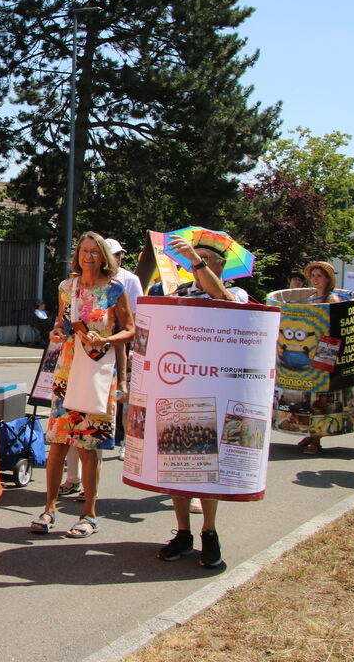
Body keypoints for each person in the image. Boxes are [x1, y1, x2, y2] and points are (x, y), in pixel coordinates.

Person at [30, 232, 134, 539]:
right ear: (77, 255)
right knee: (58, 441)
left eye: (94, 251)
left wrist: (107, 339)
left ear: (103, 257)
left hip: (98, 371)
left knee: (89, 447)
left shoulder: (114, 289)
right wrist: (56, 334)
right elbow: (60, 324)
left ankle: (89, 515)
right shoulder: (67, 287)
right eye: (83, 251)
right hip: (67, 369)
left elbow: (130, 330)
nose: (88, 256)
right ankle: (49, 509)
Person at [158, 235, 247, 568]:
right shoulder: (180, 292)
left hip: (214, 389)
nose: (198, 264)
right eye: (196, 259)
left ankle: (209, 531)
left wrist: (195, 260)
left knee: (207, 466)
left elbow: (221, 298)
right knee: (176, 463)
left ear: (221, 265)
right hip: (178, 387)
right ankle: (183, 532)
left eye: (206, 259)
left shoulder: (236, 293)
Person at [297, 261, 342, 455]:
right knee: (307, 393)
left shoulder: (332, 299)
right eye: (312, 276)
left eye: (319, 276)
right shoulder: (310, 297)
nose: (315, 279)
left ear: (328, 279)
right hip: (308, 347)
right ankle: (310, 433)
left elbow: (334, 325)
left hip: (326, 348)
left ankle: (316, 440)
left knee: (320, 394)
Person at [106, 238, 142, 460]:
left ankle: (126, 441)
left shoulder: (130, 279)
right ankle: (106, 434)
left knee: (125, 393)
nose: (117, 258)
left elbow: (137, 318)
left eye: (119, 254)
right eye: (113, 254)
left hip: (123, 342)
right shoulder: (95, 278)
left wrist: (134, 348)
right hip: (101, 343)